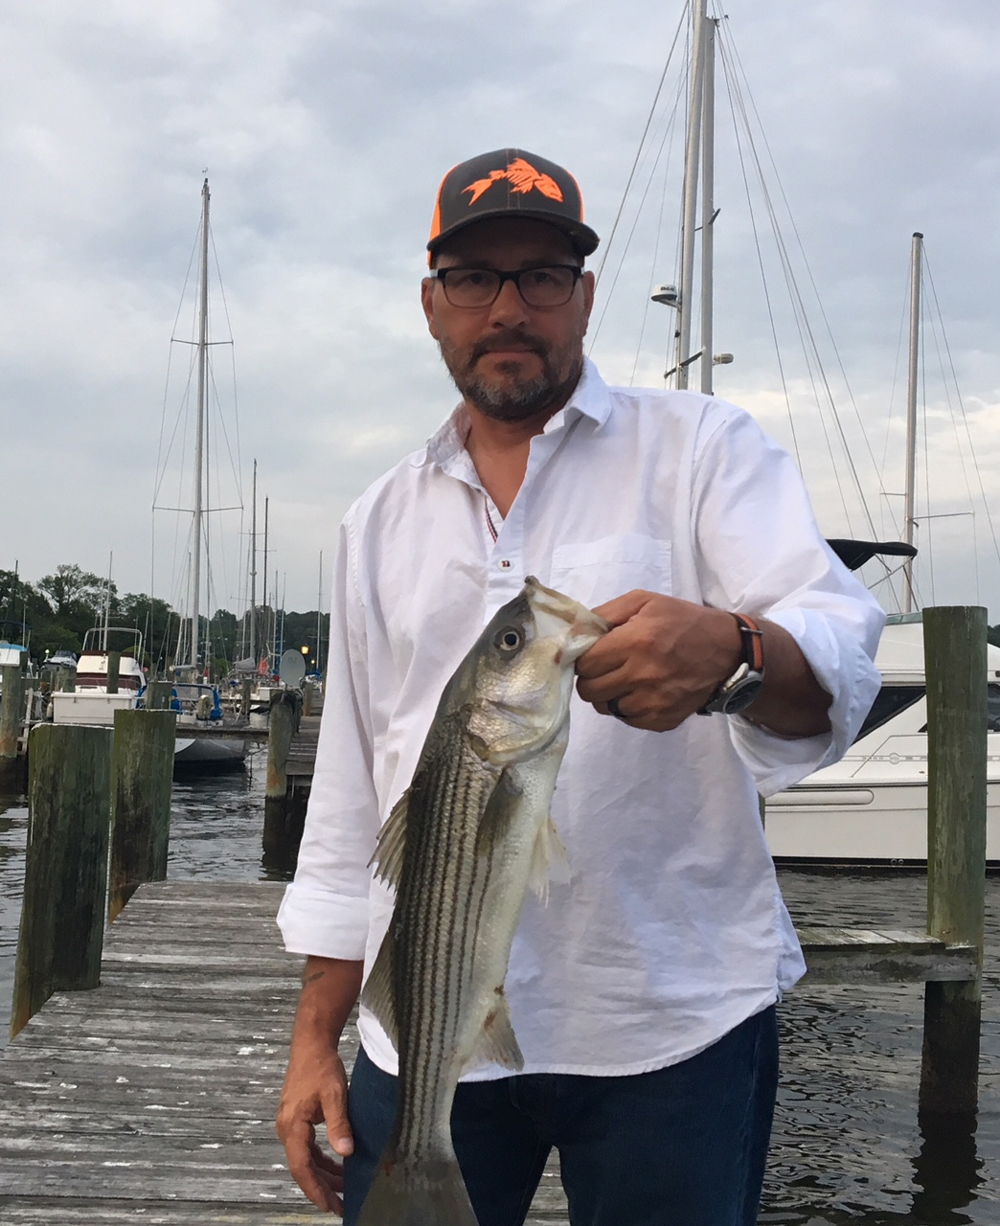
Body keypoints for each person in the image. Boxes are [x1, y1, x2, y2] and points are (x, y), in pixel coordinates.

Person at [275, 147, 884, 1224]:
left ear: (586, 296)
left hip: (674, 1019)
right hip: (424, 1031)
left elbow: (838, 647)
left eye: (542, 276)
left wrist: (738, 650)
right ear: (431, 304)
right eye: (474, 277)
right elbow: (351, 793)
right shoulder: (376, 519)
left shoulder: (702, 449)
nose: (508, 307)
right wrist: (313, 1035)